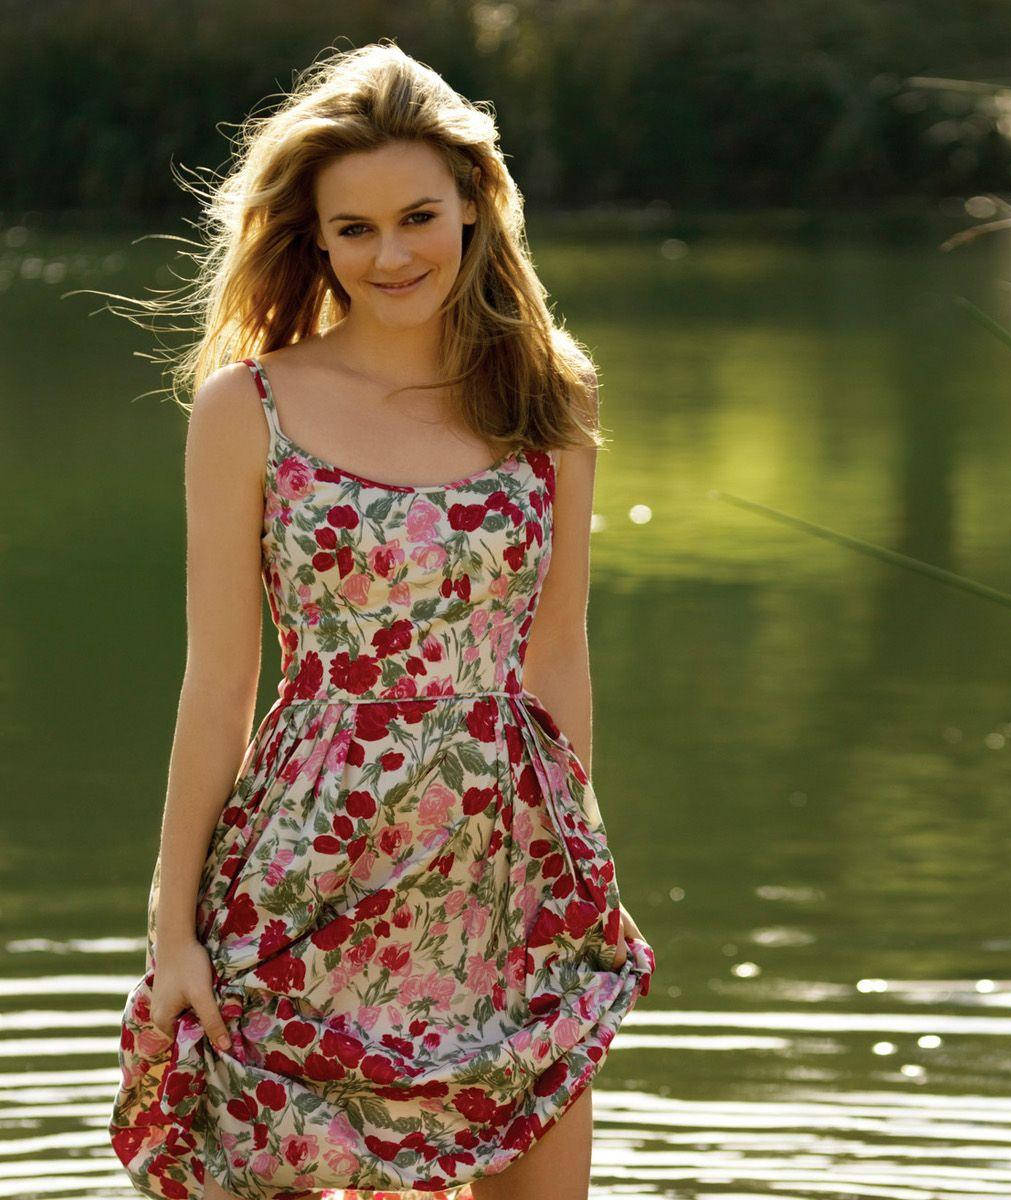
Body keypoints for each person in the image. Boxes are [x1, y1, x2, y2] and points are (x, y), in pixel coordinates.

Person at [101, 40, 656, 1200]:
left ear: (474, 208)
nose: (391, 254)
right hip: (306, 871)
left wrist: (571, 882)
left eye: (418, 216)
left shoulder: (550, 395)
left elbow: (556, 650)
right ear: (314, 240)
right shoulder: (247, 406)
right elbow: (219, 680)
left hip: (508, 872)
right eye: (354, 229)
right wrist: (173, 936)